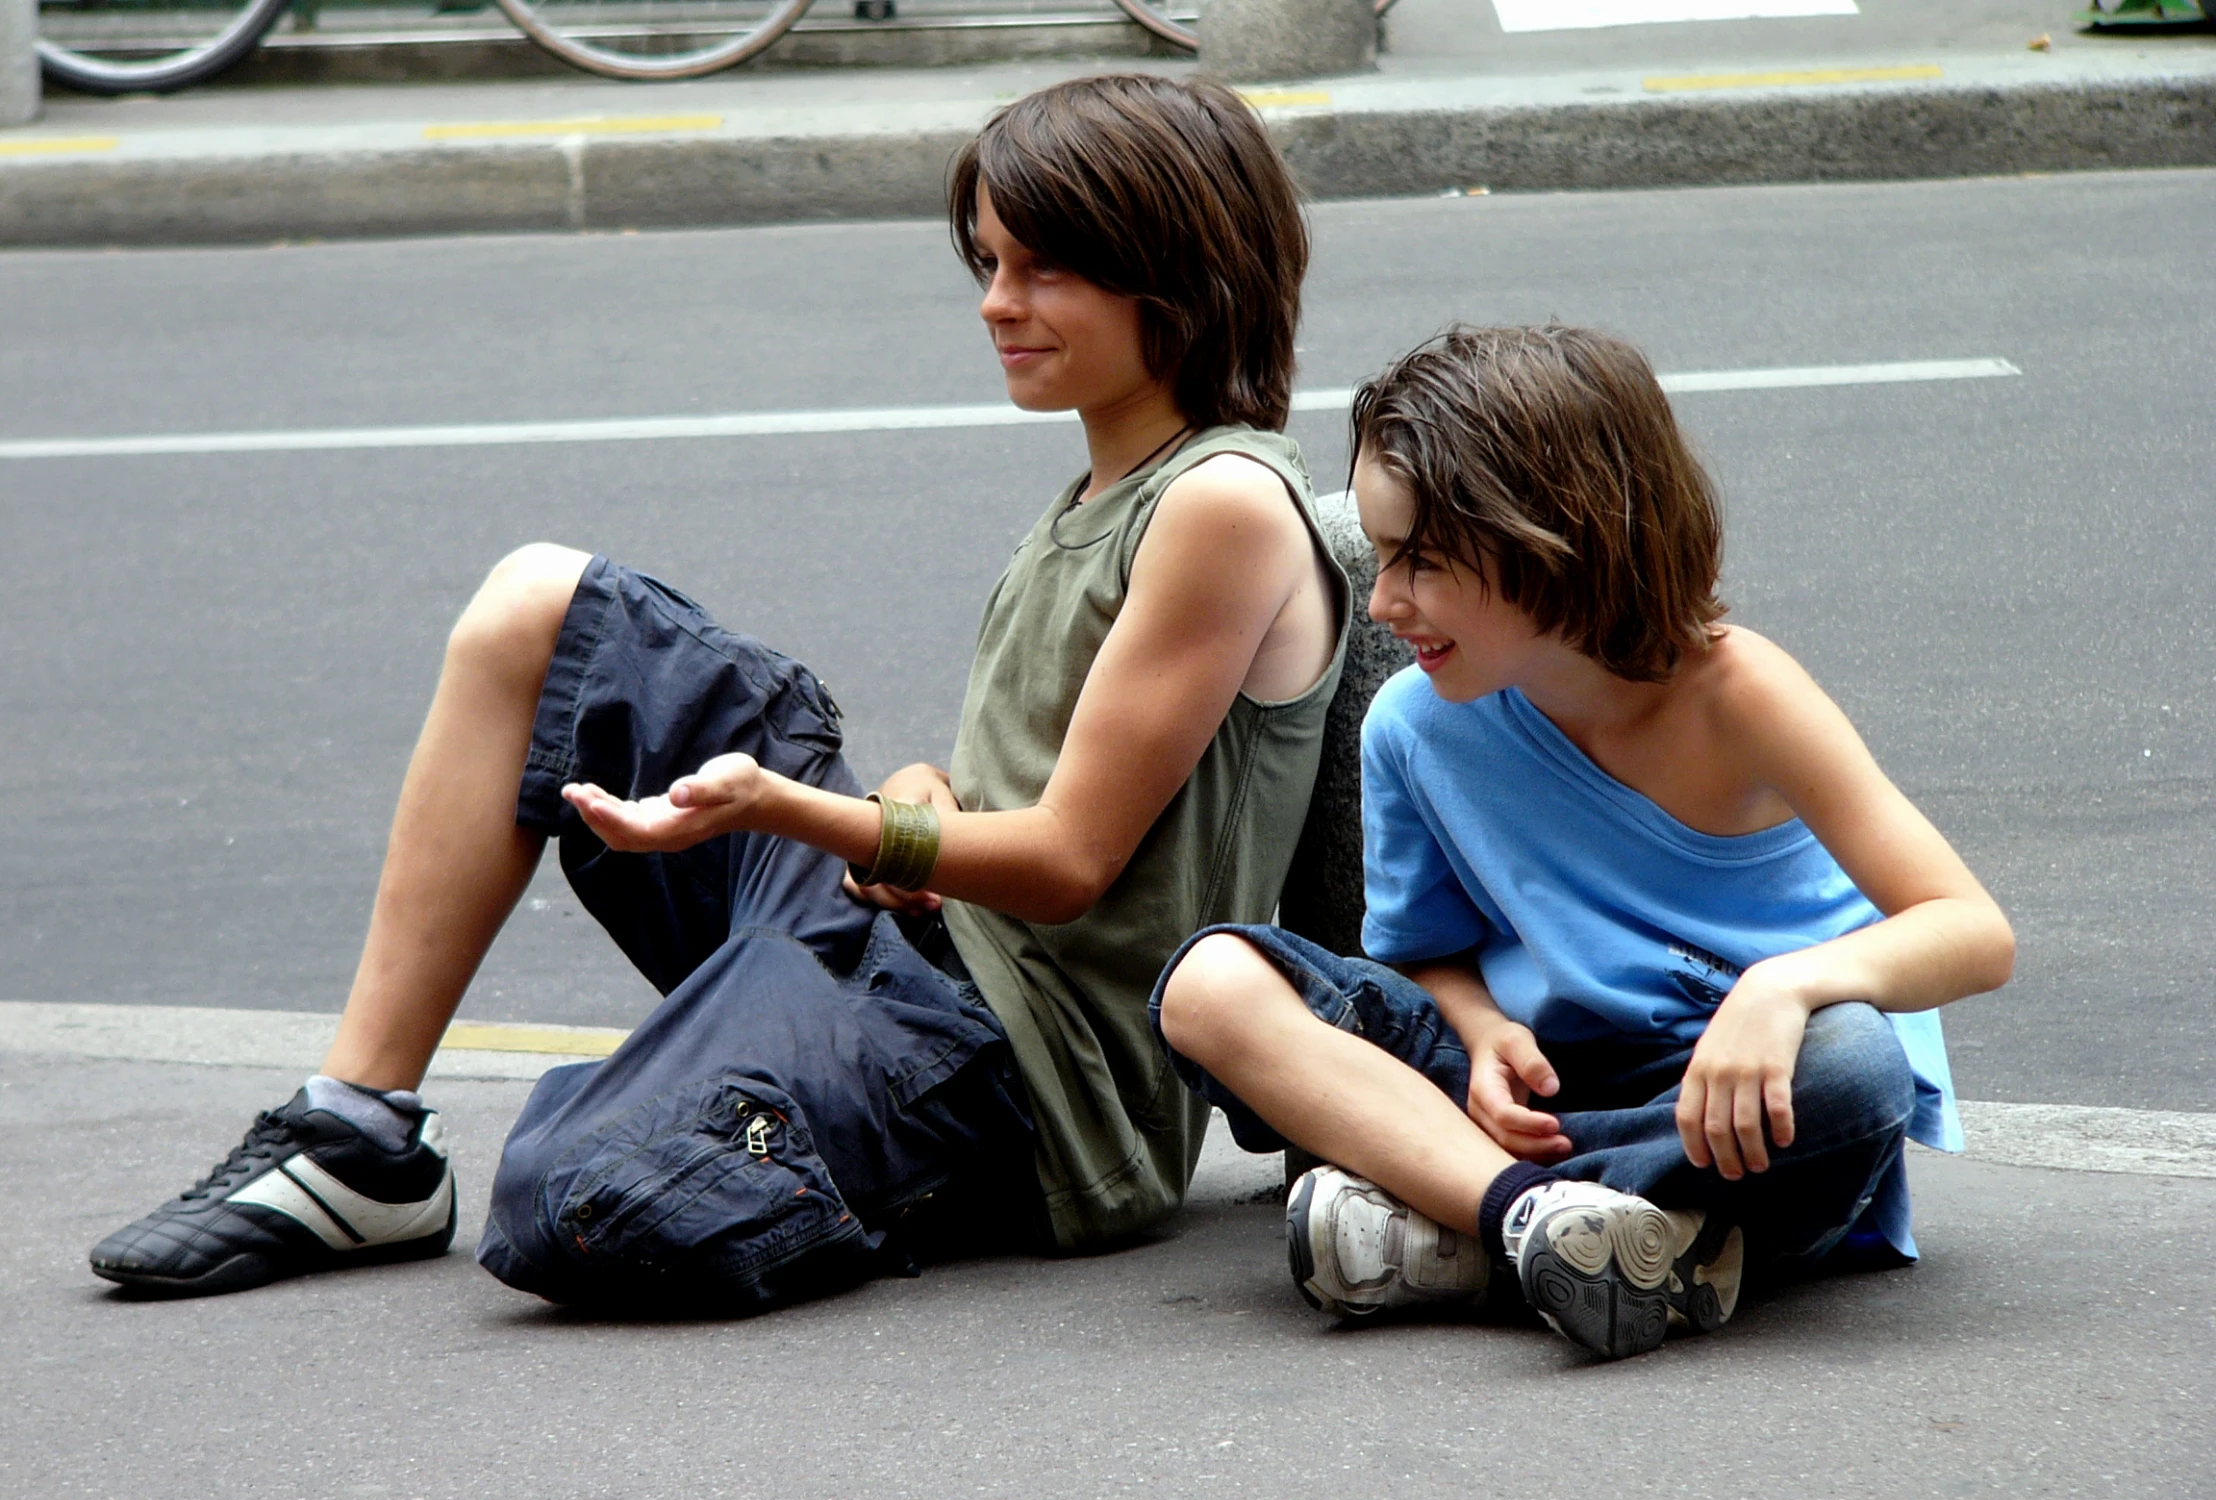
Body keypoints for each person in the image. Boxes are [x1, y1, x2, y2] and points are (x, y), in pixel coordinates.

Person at [88, 73, 1348, 1308]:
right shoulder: (1105, 491)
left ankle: (766, 1099)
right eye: (985, 265)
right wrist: (923, 795)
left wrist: (785, 809)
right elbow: (1047, 807)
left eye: (1040, 270)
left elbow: (1071, 864)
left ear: (1175, 276)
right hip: (915, 949)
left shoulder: (1218, 503)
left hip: (1032, 1083)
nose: (995, 304)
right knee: (539, 606)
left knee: (574, 1191)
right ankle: (357, 1136)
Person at [1152, 325, 2015, 1362]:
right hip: (1536, 1089)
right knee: (1207, 985)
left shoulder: (1738, 694)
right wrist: (1475, 1032)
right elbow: (1422, 952)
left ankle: (1455, 1216)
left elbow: (1970, 931)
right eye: (1381, 559)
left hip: (1725, 1087)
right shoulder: (1411, 724)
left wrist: (1778, 991)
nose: (1383, 602)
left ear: (1552, 537)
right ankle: (1561, 1227)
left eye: (1419, 561)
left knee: (1854, 1075)